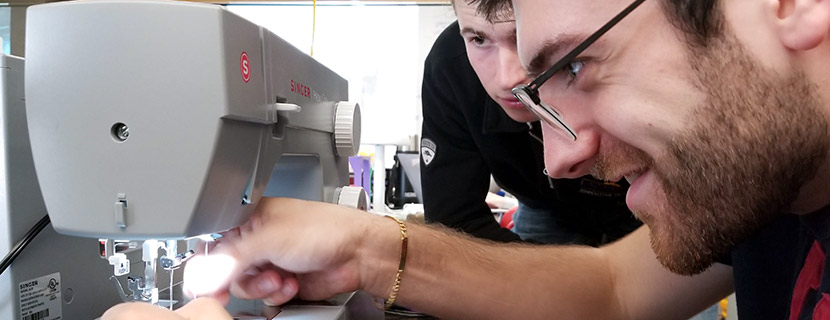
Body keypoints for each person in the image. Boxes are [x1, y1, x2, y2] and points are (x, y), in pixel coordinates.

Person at [103, 0, 830, 318]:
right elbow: (614, 290)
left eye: (576, 65)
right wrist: (366, 249)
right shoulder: (763, 193)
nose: (556, 156)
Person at [420, 0, 641, 245]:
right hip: (543, 209)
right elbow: (452, 223)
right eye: (479, 40)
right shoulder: (450, 68)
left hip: (641, 207)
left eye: (521, 36)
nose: (508, 80)